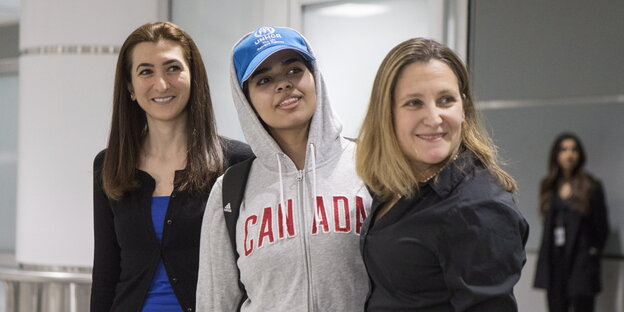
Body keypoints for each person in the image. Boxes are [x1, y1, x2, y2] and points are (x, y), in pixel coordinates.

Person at [195, 26, 371, 311]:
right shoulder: (230, 191)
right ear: (246, 99)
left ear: (315, 77)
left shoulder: (369, 166)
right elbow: (215, 302)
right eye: (264, 79)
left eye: (294, 70)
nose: (284, 85)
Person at [355, 38, 529, 311]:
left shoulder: (477, 208)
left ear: (464, 108)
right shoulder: (396, 186)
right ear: (386, 114)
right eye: (414, 103)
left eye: (445, 100)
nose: (434, 118)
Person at [91, 22, 253, 312]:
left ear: (193, 76)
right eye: (146, 71)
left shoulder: (237, 163)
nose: (162, 84)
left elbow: (251, 269)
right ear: (130, 86)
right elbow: (106, 269)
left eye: (173, 68)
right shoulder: (110, 164)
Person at [534, 133, 609, 312]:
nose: (569, 154)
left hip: (581, 264)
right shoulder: (549, 186)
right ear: (556, 155)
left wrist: (591, 255)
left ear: (580, 155)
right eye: (564, 150)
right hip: (555, 263)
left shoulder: (591, 186)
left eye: (574, 150)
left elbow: (601, 228)